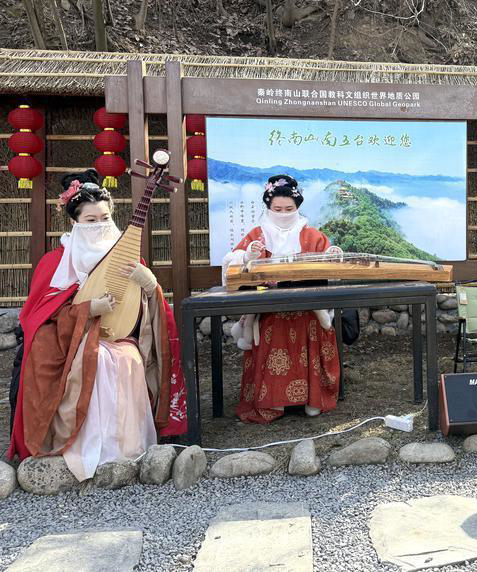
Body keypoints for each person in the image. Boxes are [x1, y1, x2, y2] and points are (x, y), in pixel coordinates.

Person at [7, 169, 187, 481]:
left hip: (120, 337)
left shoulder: (125, 255)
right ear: (75, 222)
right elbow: (40, 317)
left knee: (128, 358)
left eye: (105, 218)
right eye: (91, 220)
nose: (99, 225)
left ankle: (128, 449)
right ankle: (88, 448)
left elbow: (149, 314)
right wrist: (88, 309)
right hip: (72, 342)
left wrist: (150, 285)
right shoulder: (56, 262)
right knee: (97, 359)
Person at [221, 174, 340, 423]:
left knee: (311, 323)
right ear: (268, 206)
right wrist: (248, 256)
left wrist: (331, 253)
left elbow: (329, 263)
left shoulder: (312, 235)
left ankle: (312, 398)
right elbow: (232, 266)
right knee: (273, 326)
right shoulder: (257, 234)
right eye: (277, 209)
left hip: (307, 306)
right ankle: (273, 401)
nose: (283, 214)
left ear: (297, 207)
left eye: (289, 209)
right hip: (269, 306)